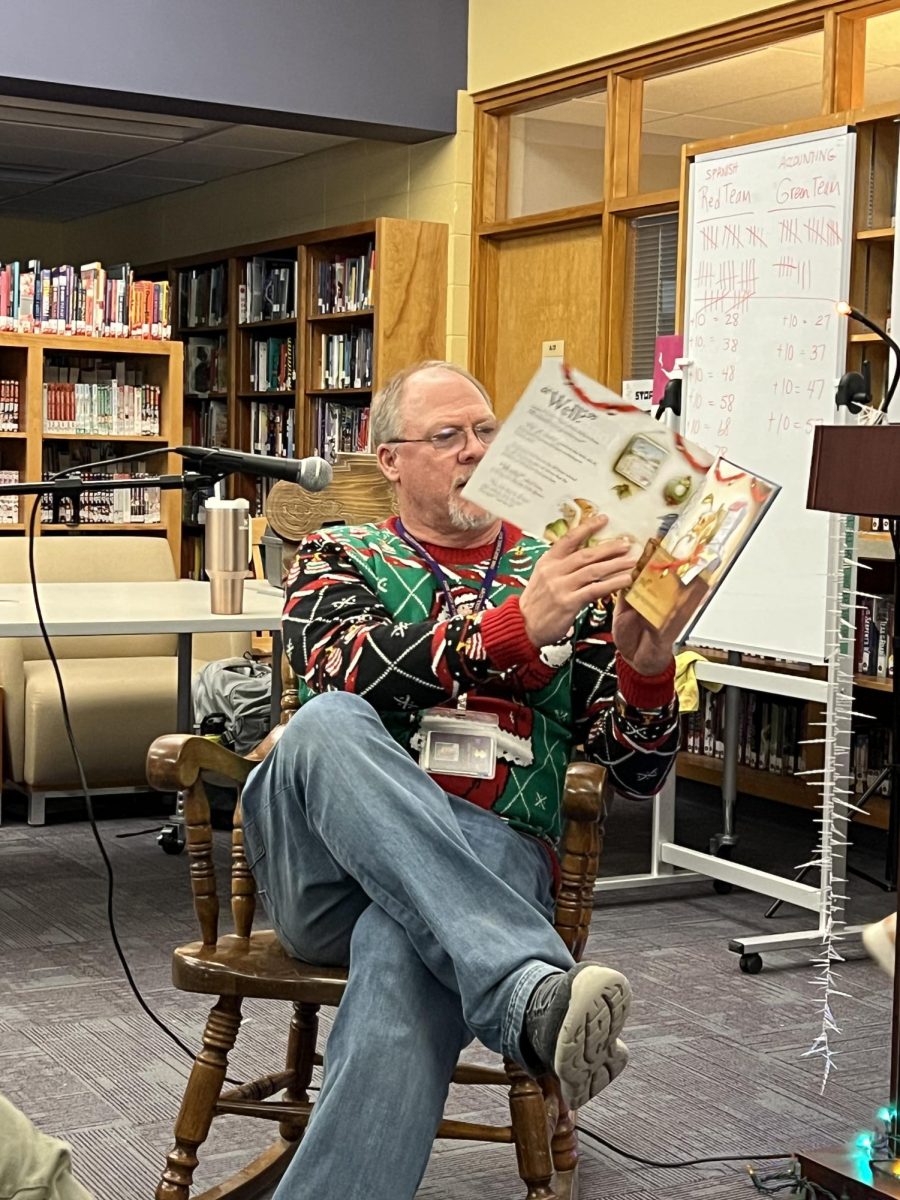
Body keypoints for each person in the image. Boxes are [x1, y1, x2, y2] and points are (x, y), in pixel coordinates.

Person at [240, 360, 681, 1199]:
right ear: (391, 460)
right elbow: (347, 667)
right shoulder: (340, 551)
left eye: (487, 431)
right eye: (448, 436)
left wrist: (647, 665)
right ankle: (523, 985)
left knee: (405, 942)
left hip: (491, 857)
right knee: (328, 721)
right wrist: (515, 628)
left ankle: (515, 991)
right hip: (326, 867)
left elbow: (638, 769)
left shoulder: (567, 570)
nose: (475, 450)